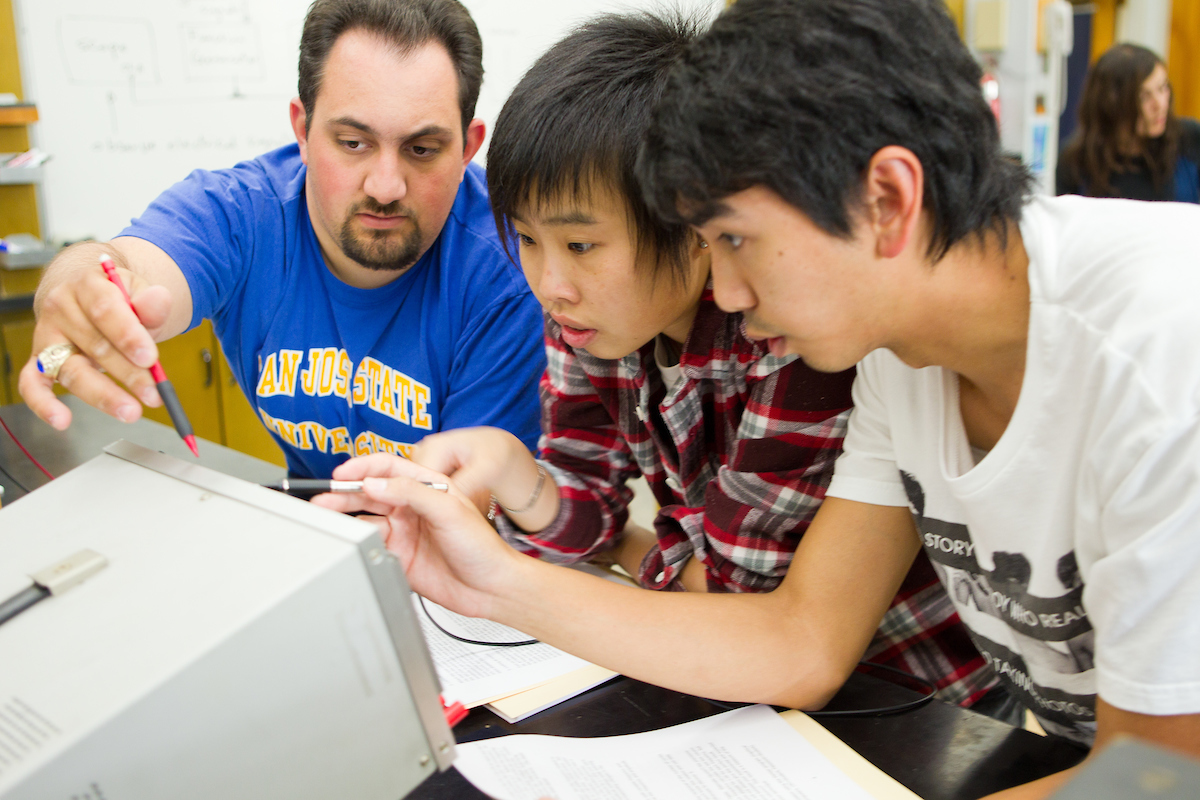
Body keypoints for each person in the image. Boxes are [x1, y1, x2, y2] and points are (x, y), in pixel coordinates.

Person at [319, 0, 1200, 795]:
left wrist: (590, 555)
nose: (727, 295)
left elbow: (1153, 779)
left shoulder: (1162, 352)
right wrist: (495, 580)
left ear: (888, 199)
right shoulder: (898, 351)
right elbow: (804, 642)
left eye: (735, 239)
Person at [317, 13, 998, 713]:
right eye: (525, 238)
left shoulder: (791, 329)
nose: (550, 284)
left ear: (689, 220)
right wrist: (516, 475)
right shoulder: (591, 321)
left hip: (905, 700)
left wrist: (621, 557)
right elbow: (597, 528)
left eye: (582, 246)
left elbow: (739, 599)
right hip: (744, 683)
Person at [19, 0, 545, 478]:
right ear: (302, 130)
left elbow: (462, 512)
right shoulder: (242, 213)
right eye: (353, 142)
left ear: (469, 148)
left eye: (423, 149)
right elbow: (122, 264)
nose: (385, 186)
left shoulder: (513, 269)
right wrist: (75, 285)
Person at [1057, 43, 1200, 202]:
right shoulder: (1075, 161)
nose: (1160, 104)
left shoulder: (1190, 139)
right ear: (1112, 104)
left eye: (1162, 88)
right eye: (1144, 97)